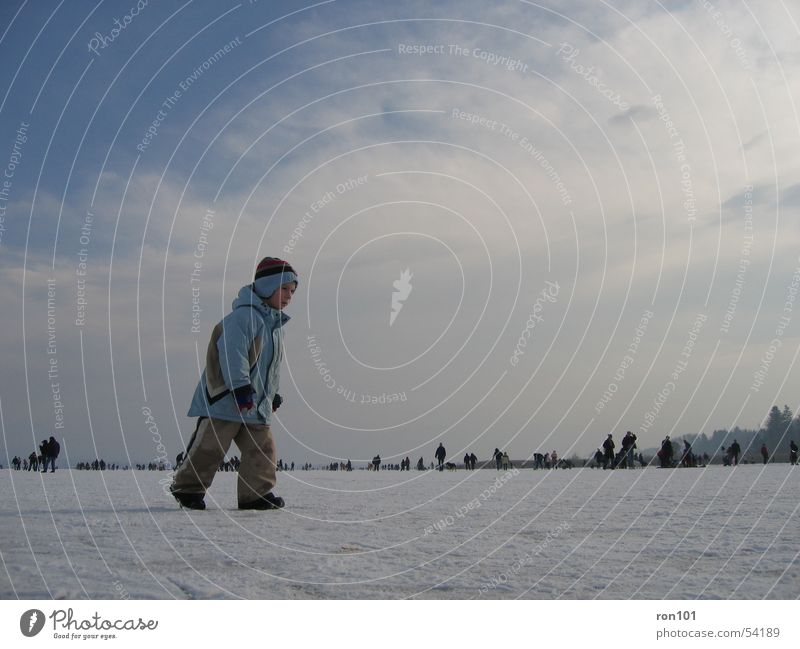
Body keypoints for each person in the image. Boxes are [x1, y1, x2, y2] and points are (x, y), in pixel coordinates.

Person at [170, 257, 298, 511]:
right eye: (283, 289)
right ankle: (187, 488)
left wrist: (271, 395)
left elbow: (270, 368)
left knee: (263, 450)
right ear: (266, 286)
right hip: (227, 399)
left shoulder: (275, 327)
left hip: (256, 404)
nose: (288, 296)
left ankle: (255, 493)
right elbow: (232, 353)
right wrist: (240, 387)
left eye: (292, 291)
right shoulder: (244, 317)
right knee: (210, 446)